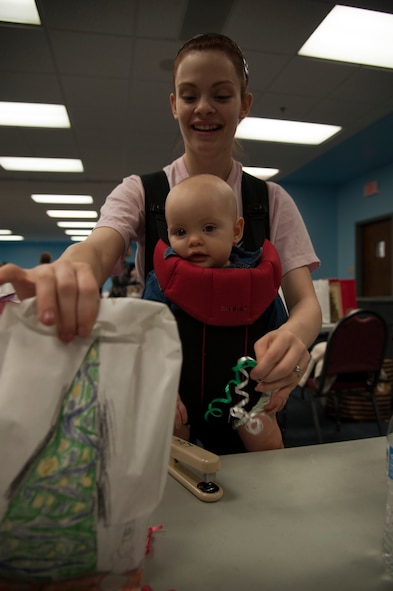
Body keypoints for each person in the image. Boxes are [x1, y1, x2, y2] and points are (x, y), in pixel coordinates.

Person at [0, 32, 322, 434]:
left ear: (245, 105)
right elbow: (98, 249)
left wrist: (293, 339)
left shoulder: (270, 201)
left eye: (221, 95)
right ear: (174, 105)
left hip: (252, 402)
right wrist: (70, 270)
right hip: (168, 407)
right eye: (189, 96)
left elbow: (306, 304)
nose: (204, 107)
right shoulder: (141, 192)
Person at [143, 173, 286, 452]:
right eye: (180, 232)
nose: (194, 240)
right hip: (179, 397)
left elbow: (280, 337)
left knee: (267, 443)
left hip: (246, 396)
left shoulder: (257, 282)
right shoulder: (161, 283)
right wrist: (158, 388)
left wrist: (277, 384)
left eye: (208, 228)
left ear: (236, 231)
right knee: (170, 448)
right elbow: (146, 340)